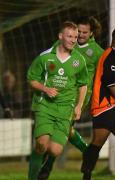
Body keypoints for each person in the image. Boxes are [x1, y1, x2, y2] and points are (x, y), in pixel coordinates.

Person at [38, 16, 104, 180]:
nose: (80, 35)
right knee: (63, 130)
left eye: (84, 32)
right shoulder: (66, 44)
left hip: (79, 97)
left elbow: (103, 77)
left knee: (62, 129)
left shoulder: (97, 52)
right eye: (78, 31)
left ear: (91, 33)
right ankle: (87, 152)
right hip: (59, 92)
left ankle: (47, 166)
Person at [27, 21, 88, 180]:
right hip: (45, 106)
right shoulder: (45, 57)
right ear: (60, 36)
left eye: (75, 37)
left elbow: (83, 85)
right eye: (70, 36)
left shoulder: (79, 60)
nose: (73, 40)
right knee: (41, 144)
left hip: (65, 108)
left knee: (55, 150)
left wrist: (79, 106)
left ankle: (43, 163)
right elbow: (31, 79)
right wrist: (45, 89)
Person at [81, 26, 115, 180]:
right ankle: (86, 174)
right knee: (98, 141)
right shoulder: (110, 55)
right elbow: (110, 83)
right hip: (105, 106)